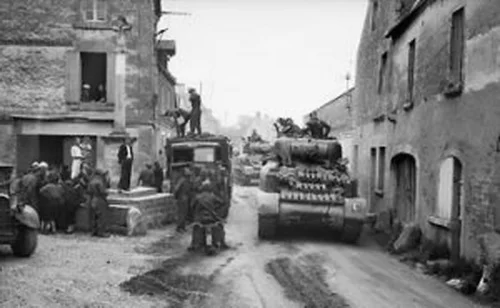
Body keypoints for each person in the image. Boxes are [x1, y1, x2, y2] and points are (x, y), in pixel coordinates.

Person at [188, 178, 226, 255]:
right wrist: (215, 207)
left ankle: (194, 244)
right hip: (212, 217)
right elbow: (222, 202)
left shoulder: (197, 197)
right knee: (220, 225)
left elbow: (191, 206)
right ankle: (221, 242)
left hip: (199, 218)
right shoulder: (212, 196)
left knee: (195, 228)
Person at [88, 169, 111, 237]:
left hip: (92, 199)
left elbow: (88, 191)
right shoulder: (100, 181)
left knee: (94, 216)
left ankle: (93, 231)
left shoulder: (91, 181)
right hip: (100, 200)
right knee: (101, 217)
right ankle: (101, 232)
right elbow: (103, 192)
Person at [173, 167, 193, 233]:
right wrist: (176, 197)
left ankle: (183, 227)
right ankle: (179, 227)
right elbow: (176, 189)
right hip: (182, 198)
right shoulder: (182, 180)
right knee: (181, 213)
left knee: (184, 213)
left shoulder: (188, 180)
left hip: (186, 198)